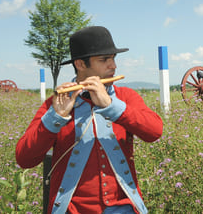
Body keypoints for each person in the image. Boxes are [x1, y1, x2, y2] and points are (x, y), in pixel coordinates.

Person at [16, 26, 163, 214]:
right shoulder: (56, 103)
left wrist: (111, 105)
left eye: (113, 58)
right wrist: (56, 117)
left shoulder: (125, 97)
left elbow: (155, 131)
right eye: (104, 60)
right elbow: (24, 159)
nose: (113, 66)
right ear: (80, 64)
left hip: (124, 207)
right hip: (72, 209)